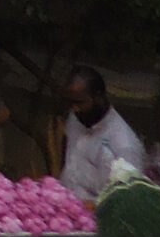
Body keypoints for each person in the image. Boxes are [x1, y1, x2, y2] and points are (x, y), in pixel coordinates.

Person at [60, 66, 145, 202]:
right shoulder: (76, 118)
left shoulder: (124, 145)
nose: (74, 109)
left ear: (99, 97)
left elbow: (126, 202)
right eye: (71, 102)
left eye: (79, 103)